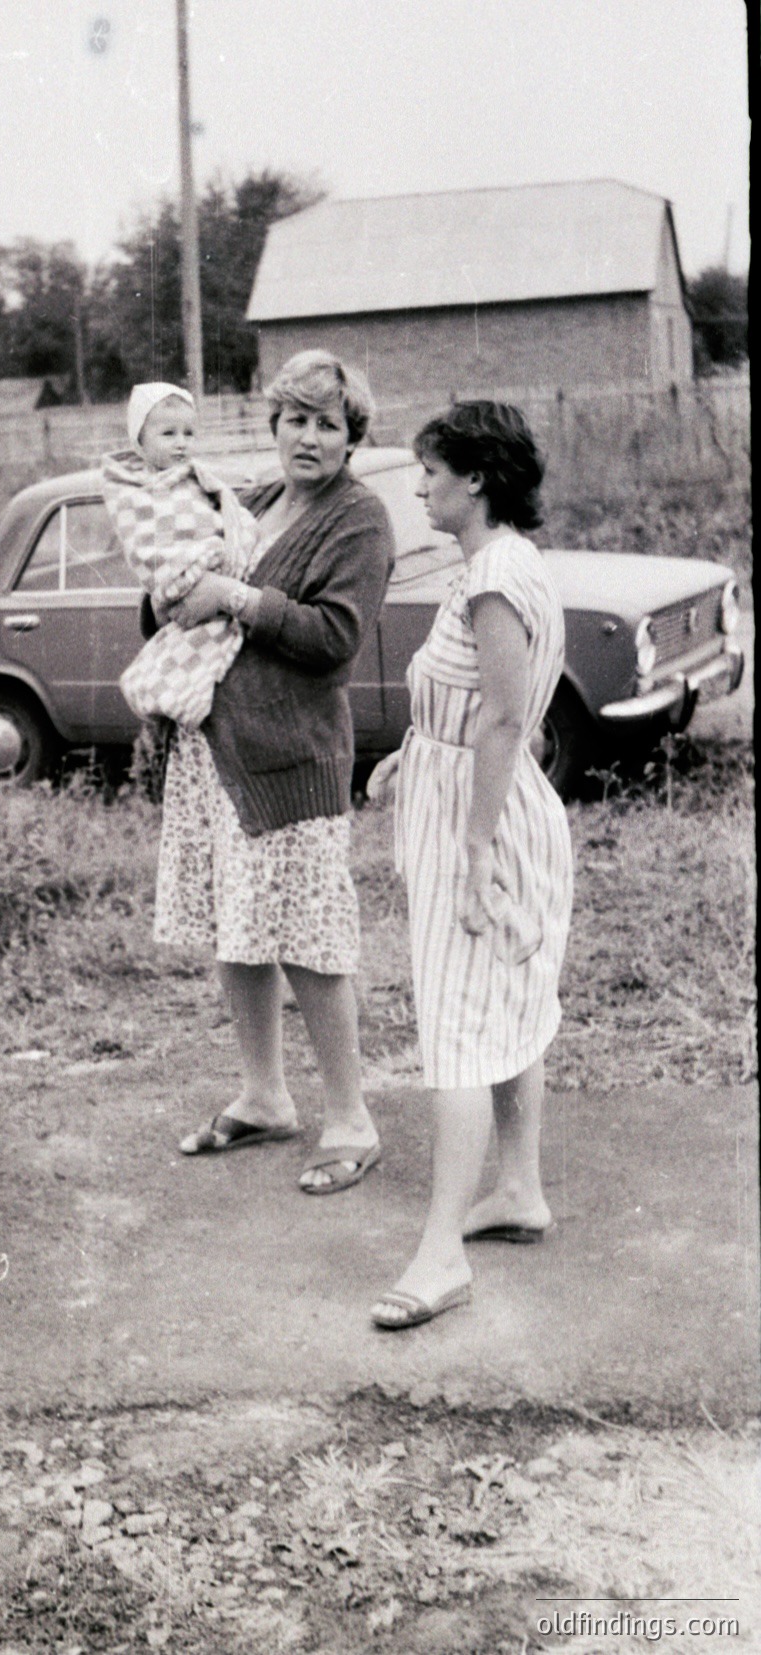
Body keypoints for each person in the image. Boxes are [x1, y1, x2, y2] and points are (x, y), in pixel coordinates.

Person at [150, 351, 395, 1193]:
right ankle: (263, 1095)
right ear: (275, 425)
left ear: (351, 437)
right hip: (216, 751)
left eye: (328, 423)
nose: (308, 436)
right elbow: (182, 579)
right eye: (295, 418)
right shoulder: (250, 500)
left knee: (310, 938)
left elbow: (334, 639)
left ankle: (351, 1118)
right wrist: (172, 591)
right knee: (237, 923)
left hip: (290, 760)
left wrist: (234, 598)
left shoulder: (358, 520)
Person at [368, 401, 573, 1330]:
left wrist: (477, 847)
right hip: (468, 793)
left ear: (476, 479)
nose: (420, 488)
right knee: (499, 1009)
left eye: (430, 473)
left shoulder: (494, 579)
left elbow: (499, 717)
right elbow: (466, 708)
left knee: (455, 1022)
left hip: (482, 816)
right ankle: (517, 1189)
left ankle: (441, 1251)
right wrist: (405, 755)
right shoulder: (503, 565)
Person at [102, 382, 259, 729]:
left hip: (219, 583)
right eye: (168, 433)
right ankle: (180, 696)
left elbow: (225, 515)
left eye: (189, 433)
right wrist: (202, 559)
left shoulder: (198, 478)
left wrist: (232, 539)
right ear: (140, 441)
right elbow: (148, 547)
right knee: (187, 654)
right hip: (189, 585)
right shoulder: (135, 491)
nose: (181, 442)